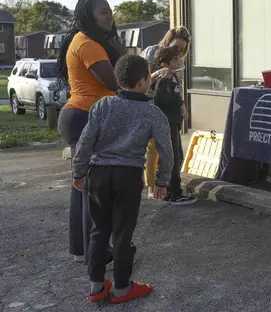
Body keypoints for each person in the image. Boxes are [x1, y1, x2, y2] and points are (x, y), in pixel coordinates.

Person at [72, 54, 173, 303]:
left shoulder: (103, 106)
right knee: (122, 233)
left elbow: (85, 141)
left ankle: (97, 286)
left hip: (98, 174)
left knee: (98, 231)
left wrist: (79, 171)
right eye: (149, 77)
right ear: (142, 83)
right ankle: (122, 287)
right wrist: (161, 181)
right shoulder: (153, 113)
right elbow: (166, 150)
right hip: (127, 177)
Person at [56, 0, 124, 264]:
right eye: (103, 12)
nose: (109, 16)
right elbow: (114, 81)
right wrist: (127, 61)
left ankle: (82, 248)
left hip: (81, 116)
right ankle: (93, 251)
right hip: (85, 117)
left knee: (81, 185)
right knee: (92, 187)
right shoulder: (88, 44)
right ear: (89, 15)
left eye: (111, 11)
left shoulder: (86, 41)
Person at [141, 27, 191, 198]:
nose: (179, 52)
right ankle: (152, 186)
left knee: (173, 150)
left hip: (171, 110)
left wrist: (182, 104)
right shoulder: (152, 53)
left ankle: (166, 186)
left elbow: (178, 85)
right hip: (151, 104)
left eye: (182, 49)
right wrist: (159, 73)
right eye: (176, 47)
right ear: (167, 41)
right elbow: (143, 81)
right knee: (154, 149)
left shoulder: (179, 60)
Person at [152, 45, 197, 205]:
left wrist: (182, 107)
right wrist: (179, 108)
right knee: (173, 156)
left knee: (173, 155)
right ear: (166, 63)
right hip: (168, 122)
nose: (179, 62)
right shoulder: (165, 78)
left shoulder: (171, 77)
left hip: (170, 121)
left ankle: (169, 190)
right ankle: (174, 193)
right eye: (176, 59)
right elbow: (165, 100)